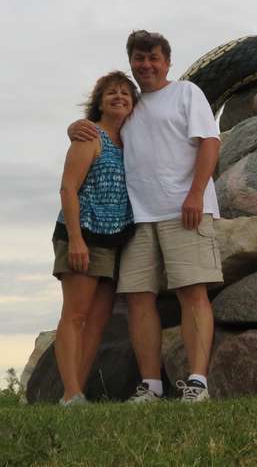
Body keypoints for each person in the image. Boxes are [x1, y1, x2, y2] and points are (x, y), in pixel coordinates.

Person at [69, 30, 222, 403]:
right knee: (138, 298)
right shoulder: (131, 107)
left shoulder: (187, 93)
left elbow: (210, 142)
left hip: (185, 208)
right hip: (136, 217)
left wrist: (196, 194)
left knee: (192, 291)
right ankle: (151, 386)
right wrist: (74, 127)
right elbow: (100, 129)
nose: (147, 64)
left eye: (154, 58)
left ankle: (197, 383)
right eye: (139, 58)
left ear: (167, 62)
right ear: (132, 62)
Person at [54, 71, 138, 406]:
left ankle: (77, 393)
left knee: (98, 320)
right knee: (75, 315)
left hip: (114, 239)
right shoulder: (90, 136)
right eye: (111, 93)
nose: (119, 97)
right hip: (83, 233)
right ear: (99, 102)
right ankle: (70, 393)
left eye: (126, 94)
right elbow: (68, 188)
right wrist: (76, 239)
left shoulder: (129, 142)